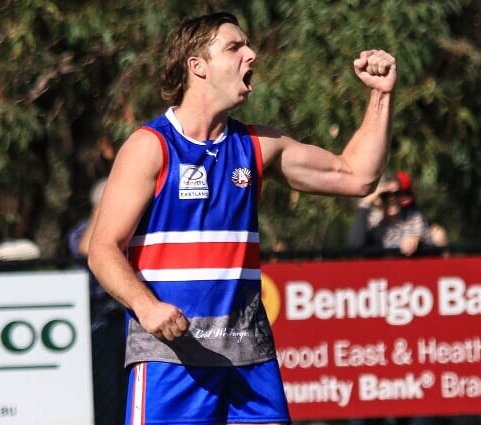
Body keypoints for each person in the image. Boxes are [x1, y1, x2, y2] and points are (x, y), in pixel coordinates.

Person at [87, 11, 396, 425]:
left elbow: (358, 176)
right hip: (172, 360)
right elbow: (103, 249)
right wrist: (147, 307)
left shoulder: (256, 145)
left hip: (250, 361)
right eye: (234, 47)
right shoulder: (151, 146)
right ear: (196, 66)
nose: (251, 54)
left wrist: (380, 96)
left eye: (247, 46)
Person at [67, 178, 126, 425]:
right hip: (100, 322)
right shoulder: (82, 230)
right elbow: (86, 249)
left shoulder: (130, 228)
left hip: (132, 319)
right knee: (108, 392)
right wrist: (102, 211)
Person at [346, 172, 445, 256]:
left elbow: (427, 245)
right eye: (385, 195)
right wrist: (365, 204)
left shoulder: (413, 217)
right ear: (376, 199)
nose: (391, 199)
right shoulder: (372, 221)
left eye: (396, 194)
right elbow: (355, 247)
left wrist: (417, 240)